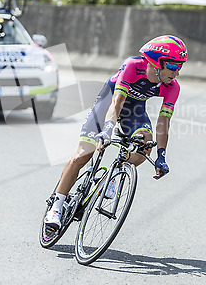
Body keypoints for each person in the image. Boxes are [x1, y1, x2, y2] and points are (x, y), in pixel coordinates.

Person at [44, 35, 188, 230]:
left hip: (135, 110)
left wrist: (162, 156)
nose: (177, 73)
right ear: (156, 61)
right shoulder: (133, 66)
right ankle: (57, 206)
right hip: (109, 102)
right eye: (173, 66)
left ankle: (113, 176)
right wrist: (107, 130)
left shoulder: (172, 87)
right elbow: (117, 101)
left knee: (146, 146)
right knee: (83, 154)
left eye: (180, 67)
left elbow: (164, 121)